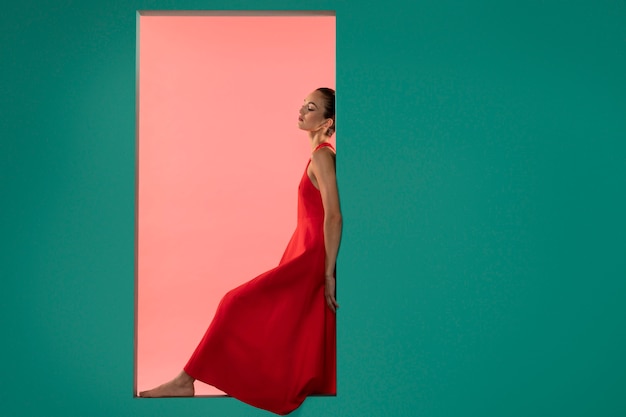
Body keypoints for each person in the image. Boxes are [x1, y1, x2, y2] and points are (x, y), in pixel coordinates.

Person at [139, 88, 341, 416]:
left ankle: (185, 380)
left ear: (327, 121)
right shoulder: (319, 154)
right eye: (303, 104)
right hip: (304, 251)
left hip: (313, 256)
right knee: (284, 321)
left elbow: (334, 214)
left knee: (235, 302)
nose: (302, 110)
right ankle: (189, 379)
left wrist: (328, 272)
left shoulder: (322, 155)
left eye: (311, 107)